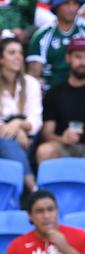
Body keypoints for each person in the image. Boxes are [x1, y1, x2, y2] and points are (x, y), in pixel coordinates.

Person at [27, 0, 85, 91]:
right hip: (50, 92)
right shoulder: (41, 36)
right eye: (66, 3)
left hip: (83, 92)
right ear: (57, 6)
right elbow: (33, 76)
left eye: (75, 3)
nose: (71, 8)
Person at [0, 37, 42, 194]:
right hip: (5, 137)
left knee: (7, 139)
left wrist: (17, 124)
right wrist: (11, 129)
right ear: (1, 59)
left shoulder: (31, 83)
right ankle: (33, 189)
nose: (18, 56)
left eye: (20, 52)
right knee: (6, 139)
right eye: (12, 53)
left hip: (28, 138)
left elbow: (35, 120)